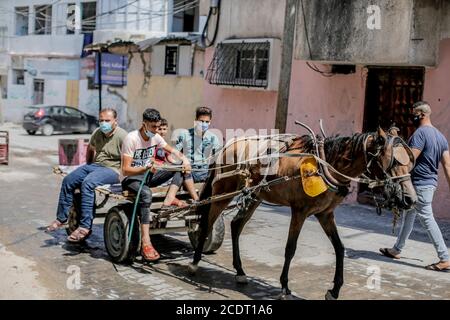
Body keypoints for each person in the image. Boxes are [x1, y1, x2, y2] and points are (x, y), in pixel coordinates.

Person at [380, 101, 450, 272]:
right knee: (409, 216)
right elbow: (447, 165)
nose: (412, 116)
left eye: (414, 113)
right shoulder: (441, 136)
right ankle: (396, 249)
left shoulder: (420, 134)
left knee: (427, 218)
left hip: (418, 183)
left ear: (422, 114)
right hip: (430, 184)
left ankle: (445, 257)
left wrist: (393, 144)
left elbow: (409, 159)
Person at [46, 108, 128, 243]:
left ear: (115, 121)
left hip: (113, 170)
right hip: (96, 166)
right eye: (101, 120)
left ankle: (85, 226)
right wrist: (88, 165)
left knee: (88, 183)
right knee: (68, 180)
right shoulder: (97, 132)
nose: (103, 123)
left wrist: (122, 173)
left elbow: (130, 156)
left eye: (107, 120)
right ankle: (61, 218)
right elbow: (90, 148)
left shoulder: (122, 136)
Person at [121, 108, 192, 261]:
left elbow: (172, 151)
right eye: (153, 127)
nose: (156, 130)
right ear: (144, 124)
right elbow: (125, 170)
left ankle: (169, 199)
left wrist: (185, 160)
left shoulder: (156, 137)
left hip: (148, 175)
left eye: (157, 126)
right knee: (146, 194)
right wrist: (145, 167)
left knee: (179, 167)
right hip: (132, 179)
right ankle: (146, 241)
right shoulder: (131, 139)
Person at [173, 107, 222, 201]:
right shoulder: (185, 134)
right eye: (201, 121)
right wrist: (183, 160)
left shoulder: (213, 138)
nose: (204, 124)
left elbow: (217, 156)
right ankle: (197, 200)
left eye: (207, 122)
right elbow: (175, 152)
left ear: (210, 122)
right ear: (195, 121)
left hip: (204, 171)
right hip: (189, 170)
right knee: (184, 171)